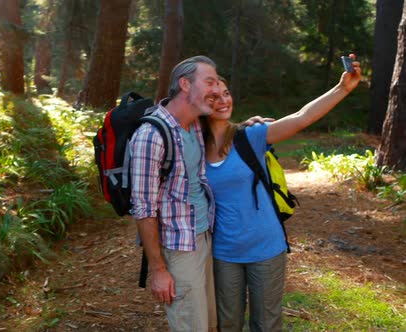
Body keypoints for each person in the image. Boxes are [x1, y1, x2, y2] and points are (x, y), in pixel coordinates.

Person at [203, 54, 361, 331]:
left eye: (226, 94)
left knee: (266, 324)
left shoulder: (250, 135)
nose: (223, 101)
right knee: (227, 323)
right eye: (214, 97)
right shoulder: (193, 147)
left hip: (266, 247)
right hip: (224, 251)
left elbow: (302, 117)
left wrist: (342, 88)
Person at [129, 55, 220, 331]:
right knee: (192, 326)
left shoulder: (194, 124)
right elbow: (144, 209)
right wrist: (158, 269)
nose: (216, 90)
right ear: (184, 84)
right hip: (180, 248)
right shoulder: (151, 136)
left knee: (208, 322)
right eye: (209, 82)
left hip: (204, 235)